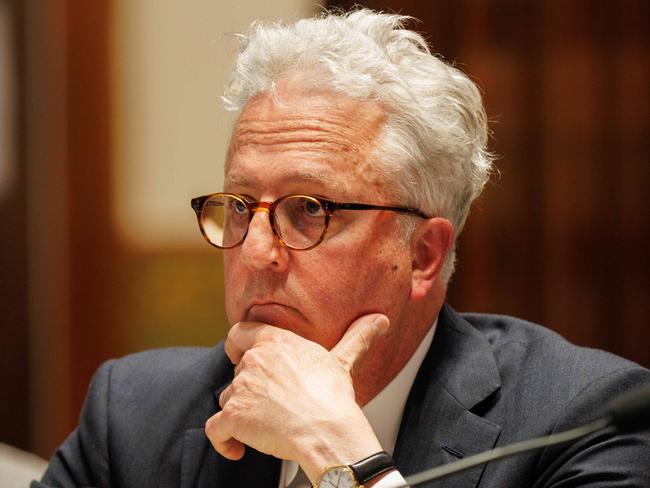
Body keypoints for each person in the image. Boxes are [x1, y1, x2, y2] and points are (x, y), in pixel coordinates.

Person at [34, 9, 650, 488]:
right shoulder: (137, 414)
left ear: (424, 254)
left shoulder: (580, 423)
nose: (256, 253)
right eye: (241, 206)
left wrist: (340, 453)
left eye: (309, 211)